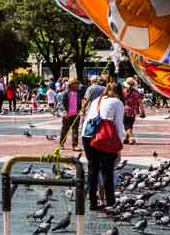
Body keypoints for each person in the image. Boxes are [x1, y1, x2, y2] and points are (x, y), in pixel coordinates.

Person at [82, 82, 125, 210]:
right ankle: (110, 202)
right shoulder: (117, 102)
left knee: (92, 170)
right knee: (107, 171)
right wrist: (119, 147)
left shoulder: (97, 100)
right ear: (119, 92)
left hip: (87, 135)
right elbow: (118, 126)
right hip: (104, 138)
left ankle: (93, 203)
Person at [58, 79, 82, 148]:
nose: (76, 85)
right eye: (74, 84)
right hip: (67, 115)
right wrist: (64, 111)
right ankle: (61, 144)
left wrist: (80, 110)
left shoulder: (78, 93)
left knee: (75, 130)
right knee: (65, 130)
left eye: (77, 84)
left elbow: (79, 103)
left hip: (76, 114)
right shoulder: (65, 93)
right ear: (70, 85)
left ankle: (75, 145)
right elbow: (61, 104)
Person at [122, 78, 145, 145]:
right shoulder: (137, 92)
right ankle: (127, 139)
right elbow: (140, 103)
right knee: (130, 125)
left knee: (126, 125)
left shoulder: (124, 92)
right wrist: (142, 111)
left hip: (125, 110)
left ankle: (131, 138)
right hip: (134, 111)